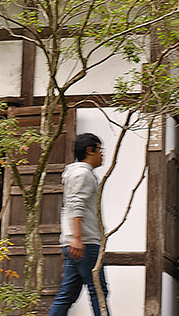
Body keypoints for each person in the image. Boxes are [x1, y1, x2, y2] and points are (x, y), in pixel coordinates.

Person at [48, 133, 109, 316]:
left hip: (76, 242)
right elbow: (76, 205)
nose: (102, 155)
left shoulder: (76, 173)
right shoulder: (83, 174)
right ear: (90, 150)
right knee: (98, 292)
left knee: (67, 294)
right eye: (100, 150)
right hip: (85, 242)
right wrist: (77, 238)